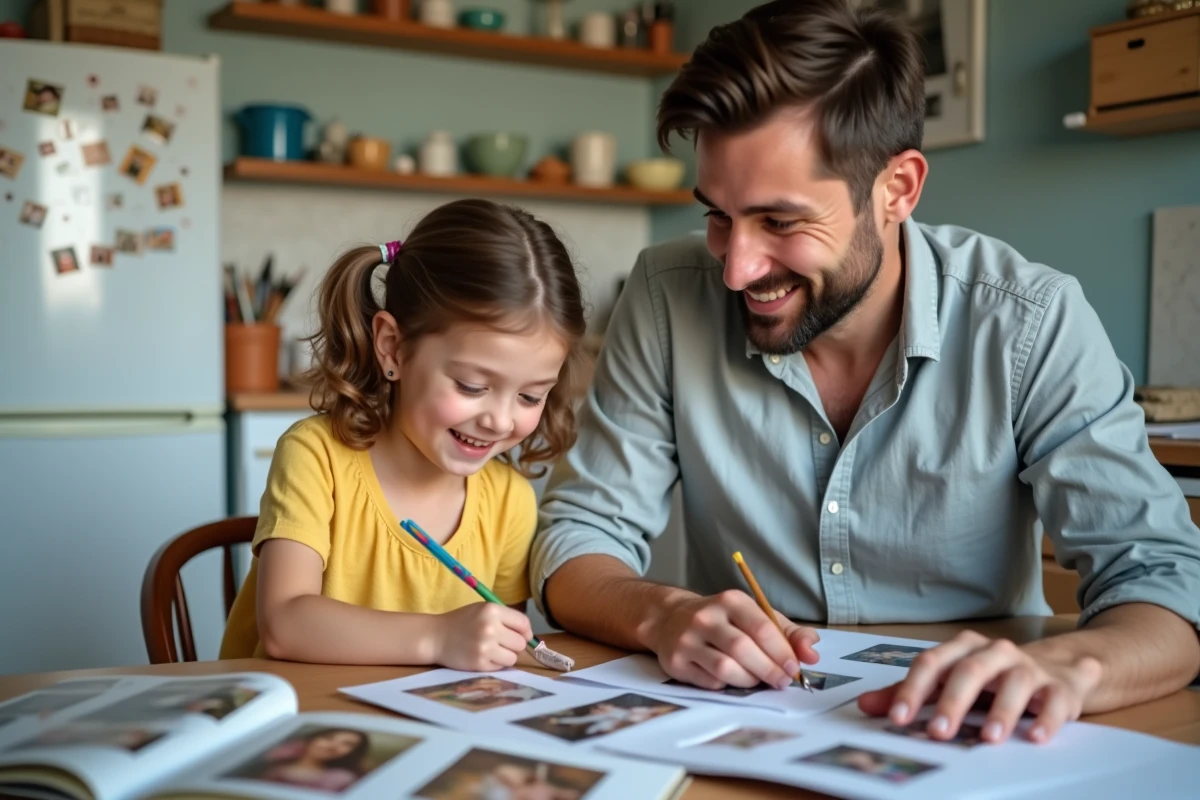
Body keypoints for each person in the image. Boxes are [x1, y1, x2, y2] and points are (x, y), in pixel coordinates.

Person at [533, 0, 1200, 750]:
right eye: (717, 215)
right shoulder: (664, 293)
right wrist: (661, 613)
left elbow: (1165, 583)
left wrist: (1071, 666)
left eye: (779, 223)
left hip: (970, 741)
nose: (736, 267)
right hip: (746, 731)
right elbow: (577, 538)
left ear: (898, 189)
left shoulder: (1032, 321)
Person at [219, 198, 589, 670]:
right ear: (393, 347)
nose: (498, 420)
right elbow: (285, 624)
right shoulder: (316, 457)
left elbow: (492, 653)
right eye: (472, 386)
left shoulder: (511, 503)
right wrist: (438, 637)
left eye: (531, 397)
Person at [247, 727, 369, 791]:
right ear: (312, 739)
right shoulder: (272, 766)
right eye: (328, 738)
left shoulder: (341, 778)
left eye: (347, 744)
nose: (333, 746)